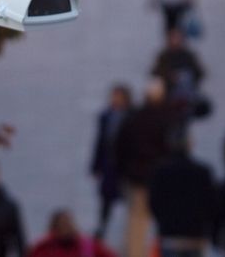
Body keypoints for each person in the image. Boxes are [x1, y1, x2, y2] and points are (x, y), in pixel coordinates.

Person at [115, 79, 178, 257]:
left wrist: (123, 172)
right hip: (161, 181)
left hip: (138, 179)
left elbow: (120, 148)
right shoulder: (169, 119)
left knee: (136, 224)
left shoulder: (133, 119)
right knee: (165, 225)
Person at [149, 130, 217, 257]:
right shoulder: (203, 172)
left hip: (170, 235)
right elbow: (211, 204)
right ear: (190, 145)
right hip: (195, 235)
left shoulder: (160, 172)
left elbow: (154, 203)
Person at [90, 83, 134, 239]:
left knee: (129, 199)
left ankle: (130, 232)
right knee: (106, 200)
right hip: (110, 164)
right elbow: (100, 143)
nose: (115, 100)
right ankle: (102, 228)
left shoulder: (131, 116)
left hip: (126, 167)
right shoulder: (105, 117)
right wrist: (96, 166)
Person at [28, 209, 119, 257]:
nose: (66, 228)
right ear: (54, 228)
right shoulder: (44, 248)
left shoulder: (88, 246)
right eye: (62, 225)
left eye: (68, 224)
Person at [150, 28, 206, 105]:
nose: (175, 41)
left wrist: (185, 76)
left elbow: (199, 72)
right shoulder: (164, 56)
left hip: (187, 92)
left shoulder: (188, 56)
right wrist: (169, 76)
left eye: (177, 38)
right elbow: (155, 72)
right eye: (173, 38)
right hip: (168, 92)